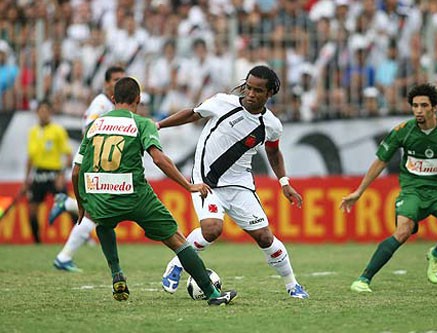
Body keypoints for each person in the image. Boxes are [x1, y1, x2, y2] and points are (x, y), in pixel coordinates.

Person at [72, 76, 237, 305]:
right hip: (135, 196)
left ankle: (116, 273)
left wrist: (82, 204)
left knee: (104, 223)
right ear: (138, 100)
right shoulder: (141, 123)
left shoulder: (94, 126)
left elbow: (76, 171)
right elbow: (159, 160)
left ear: (112, 99)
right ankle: (212, 294)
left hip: (100, 196)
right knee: (178, 240)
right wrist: (188, 185)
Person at [158, 65, 309, 299]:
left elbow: (274, 153)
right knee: (212, 229)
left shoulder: (271, 124)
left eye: (258, 90)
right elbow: (192, 113)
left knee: (265, 238)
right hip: (205, 181)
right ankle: (176, 265)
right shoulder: (223, 103)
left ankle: (293, 285)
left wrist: (284, 182)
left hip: (239, 185)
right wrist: (158, 125)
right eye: (248, 87)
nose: (250, 93)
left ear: (269, 94)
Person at [340, 83, 437, 293]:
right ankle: (363, 279)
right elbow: (380, 161)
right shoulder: (403, 131)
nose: (418, 110)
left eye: (423, 105)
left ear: (435, 107)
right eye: (414, 105)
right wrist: (359, 191)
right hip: (412, 191)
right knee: (403, 231)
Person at [49, 66, 125, 272]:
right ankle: (68, 209)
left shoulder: (112, 104)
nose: (119, 82)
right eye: (115, 79)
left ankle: (64, 253)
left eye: (122, 79)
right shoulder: (101, 103)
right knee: (100, 210)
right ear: (106, 83)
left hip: (102, 164)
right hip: (94, 163)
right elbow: (89, 129)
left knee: (98, 211)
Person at [24, 100, 72, 243]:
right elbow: (30, 158)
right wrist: (26, 180)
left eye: (46, 111)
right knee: (32, 210)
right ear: (37, 112)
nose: (43, 113)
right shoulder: (33, 132)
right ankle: (37, 242)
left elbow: (68, 156)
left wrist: (62, 175)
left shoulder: (58, 130)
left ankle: (83, 237)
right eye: (41, 111)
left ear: (50, 112)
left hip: (54, 173)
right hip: (38, 174)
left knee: (68, 206)